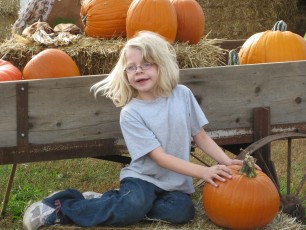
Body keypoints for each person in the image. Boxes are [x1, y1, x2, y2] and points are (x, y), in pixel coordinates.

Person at [23, 31, 244, 229]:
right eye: (131, 67)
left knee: (182, 212)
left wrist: (225, 162)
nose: (138, 71)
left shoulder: (182, 95)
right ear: (126, 74)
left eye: (146, 64)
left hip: (175, 182)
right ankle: (62, 206)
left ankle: (112, 201)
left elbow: (201, 136)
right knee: (133, 206)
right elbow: (160, 158)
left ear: (161, 65)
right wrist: (203, 171)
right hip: (143, 178)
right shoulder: (131, 113)